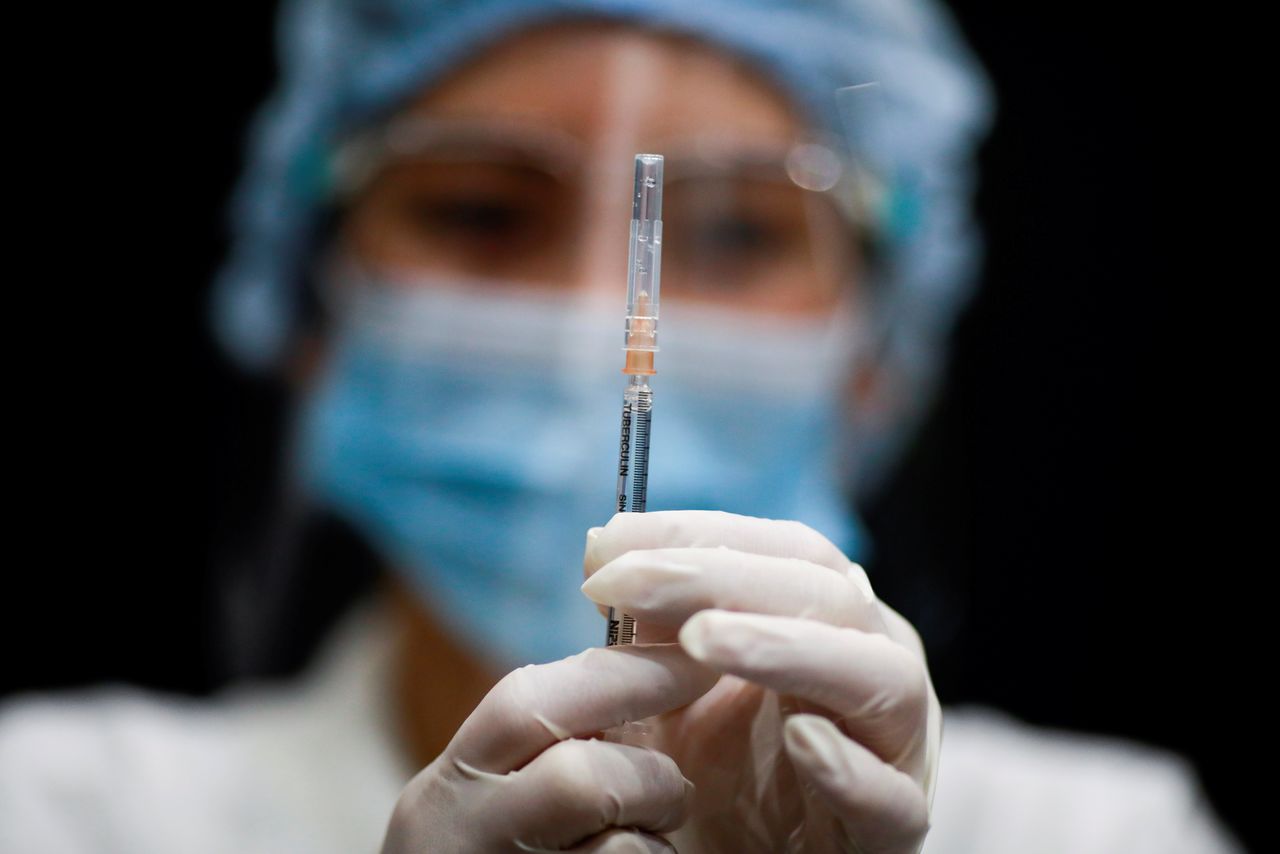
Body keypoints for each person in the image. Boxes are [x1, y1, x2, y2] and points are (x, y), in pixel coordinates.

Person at [0, 1, 1242, 852]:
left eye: (742, 229)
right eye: (480, 210)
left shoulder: (1095, 832)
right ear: (312, 304)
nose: (590, 322)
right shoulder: (59, 808)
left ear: (876, 356)